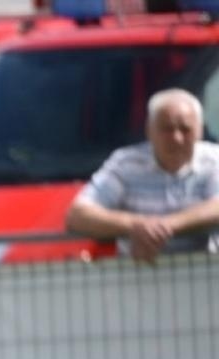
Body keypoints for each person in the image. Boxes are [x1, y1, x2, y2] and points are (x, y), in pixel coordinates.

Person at [65, 89, 219, 263]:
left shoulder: (214, 160)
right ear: (149, 131)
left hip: (201, 276)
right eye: (167, 129)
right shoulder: (125, 163)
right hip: (138, 277)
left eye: (186, 129)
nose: (177, 138)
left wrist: (167, 225)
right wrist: (137, 225)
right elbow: (78, 215)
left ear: (200, 131)